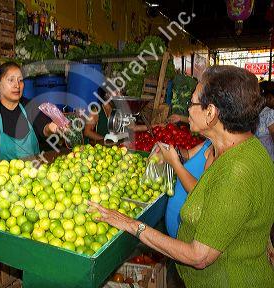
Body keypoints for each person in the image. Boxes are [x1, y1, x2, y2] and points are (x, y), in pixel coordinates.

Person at [89, 66, 274, 287]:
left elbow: (199, 256)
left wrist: (130, 224)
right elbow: (214, 200)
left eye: (193, 102)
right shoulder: (238, 150)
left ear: (211, 113)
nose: (187, 108)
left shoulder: (237, 171)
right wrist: (174, 155)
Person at [0, 62, 60, 161]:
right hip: (3, 174)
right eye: (11, 80)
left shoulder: (31, 106)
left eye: (20, 80)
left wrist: (51, 127)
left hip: (35, 171)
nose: (17, 85)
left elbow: (44, 129)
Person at [159, 138, 213, 238]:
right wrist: (170, 152)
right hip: (177, 232)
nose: (189, 121)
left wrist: (175, 163)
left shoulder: (223, 152)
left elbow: (200, 193)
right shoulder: (210, 142)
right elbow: (188, 155)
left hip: (190, 236)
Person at [255, 81, 274, 160]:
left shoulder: (254, 113)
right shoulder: (270, 113)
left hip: (258, 158)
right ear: (269, 97)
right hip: (269, 159)